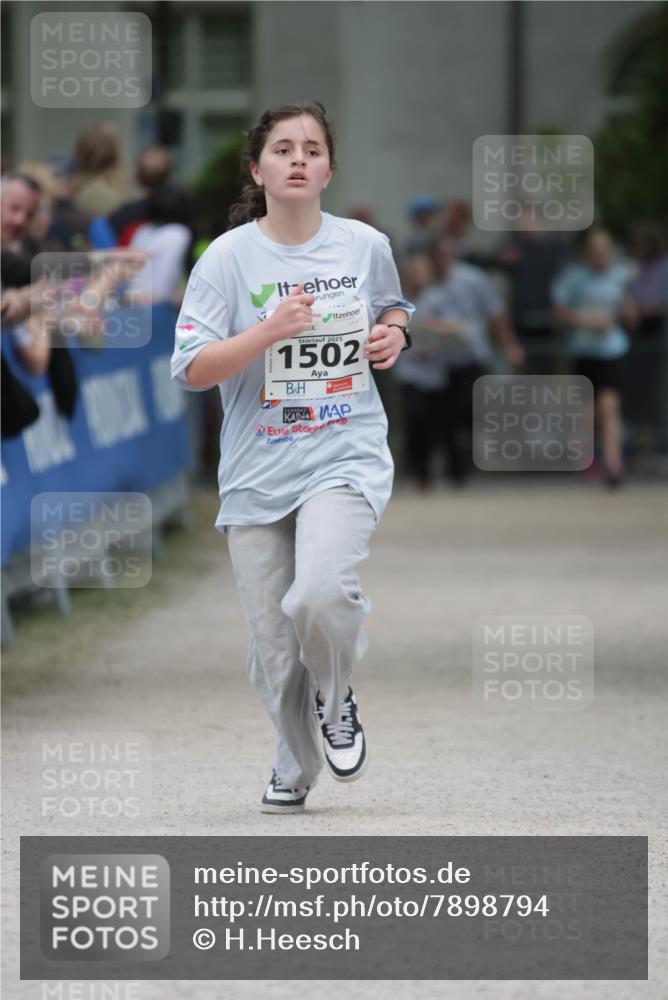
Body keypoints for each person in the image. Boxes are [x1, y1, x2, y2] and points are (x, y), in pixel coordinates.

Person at [170, 100, 414, 814]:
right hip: (255, 469)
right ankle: (293, 762)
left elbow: (393, 307)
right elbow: (190, 369)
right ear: (258, 168)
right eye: (283, 148)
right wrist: (268, 331)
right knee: (276, 649)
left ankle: (336, 701)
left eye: (312, 148)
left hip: (343, 451)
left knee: (318, 593)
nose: (299, 158)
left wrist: (394, 333)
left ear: (330, 168)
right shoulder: (229, 258)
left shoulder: (364, 245)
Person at [552, 227, 638, 488]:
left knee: (610, 407)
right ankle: (590, 457)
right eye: (596, 250)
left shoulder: (620, 276)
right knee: (589, 412)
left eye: (605, 249)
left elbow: (631, 318)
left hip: (613, 350)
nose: (601, 254)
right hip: (583, 351)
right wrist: (585, 321)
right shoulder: (574, 277)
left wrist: (627, 310)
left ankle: (614, 466)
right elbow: (559, 311)